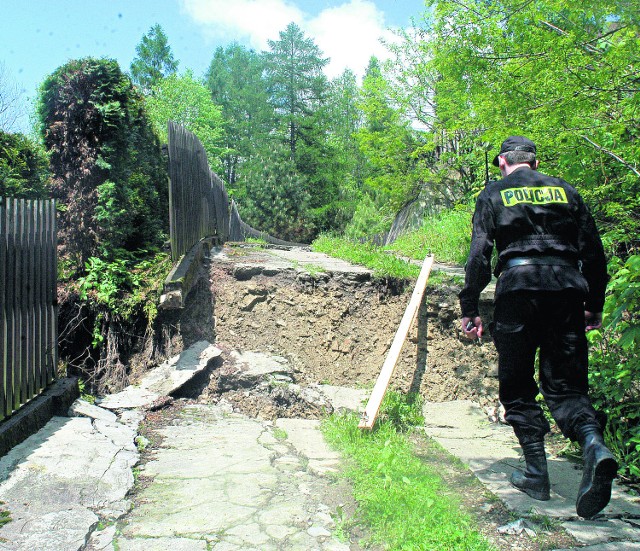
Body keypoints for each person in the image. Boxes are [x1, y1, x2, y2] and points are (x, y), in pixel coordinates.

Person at [459, 135, 618, 518]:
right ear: (534, 161)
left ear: (502, 162)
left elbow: (480, 256)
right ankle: (594, 444)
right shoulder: (567, 191)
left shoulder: (493, 194)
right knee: (566, 385)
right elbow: (594, 254)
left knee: (516, 384)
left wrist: (470, 306)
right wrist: (594, 305)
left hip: (518, 293)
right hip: (566, 291)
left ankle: (536, 474)